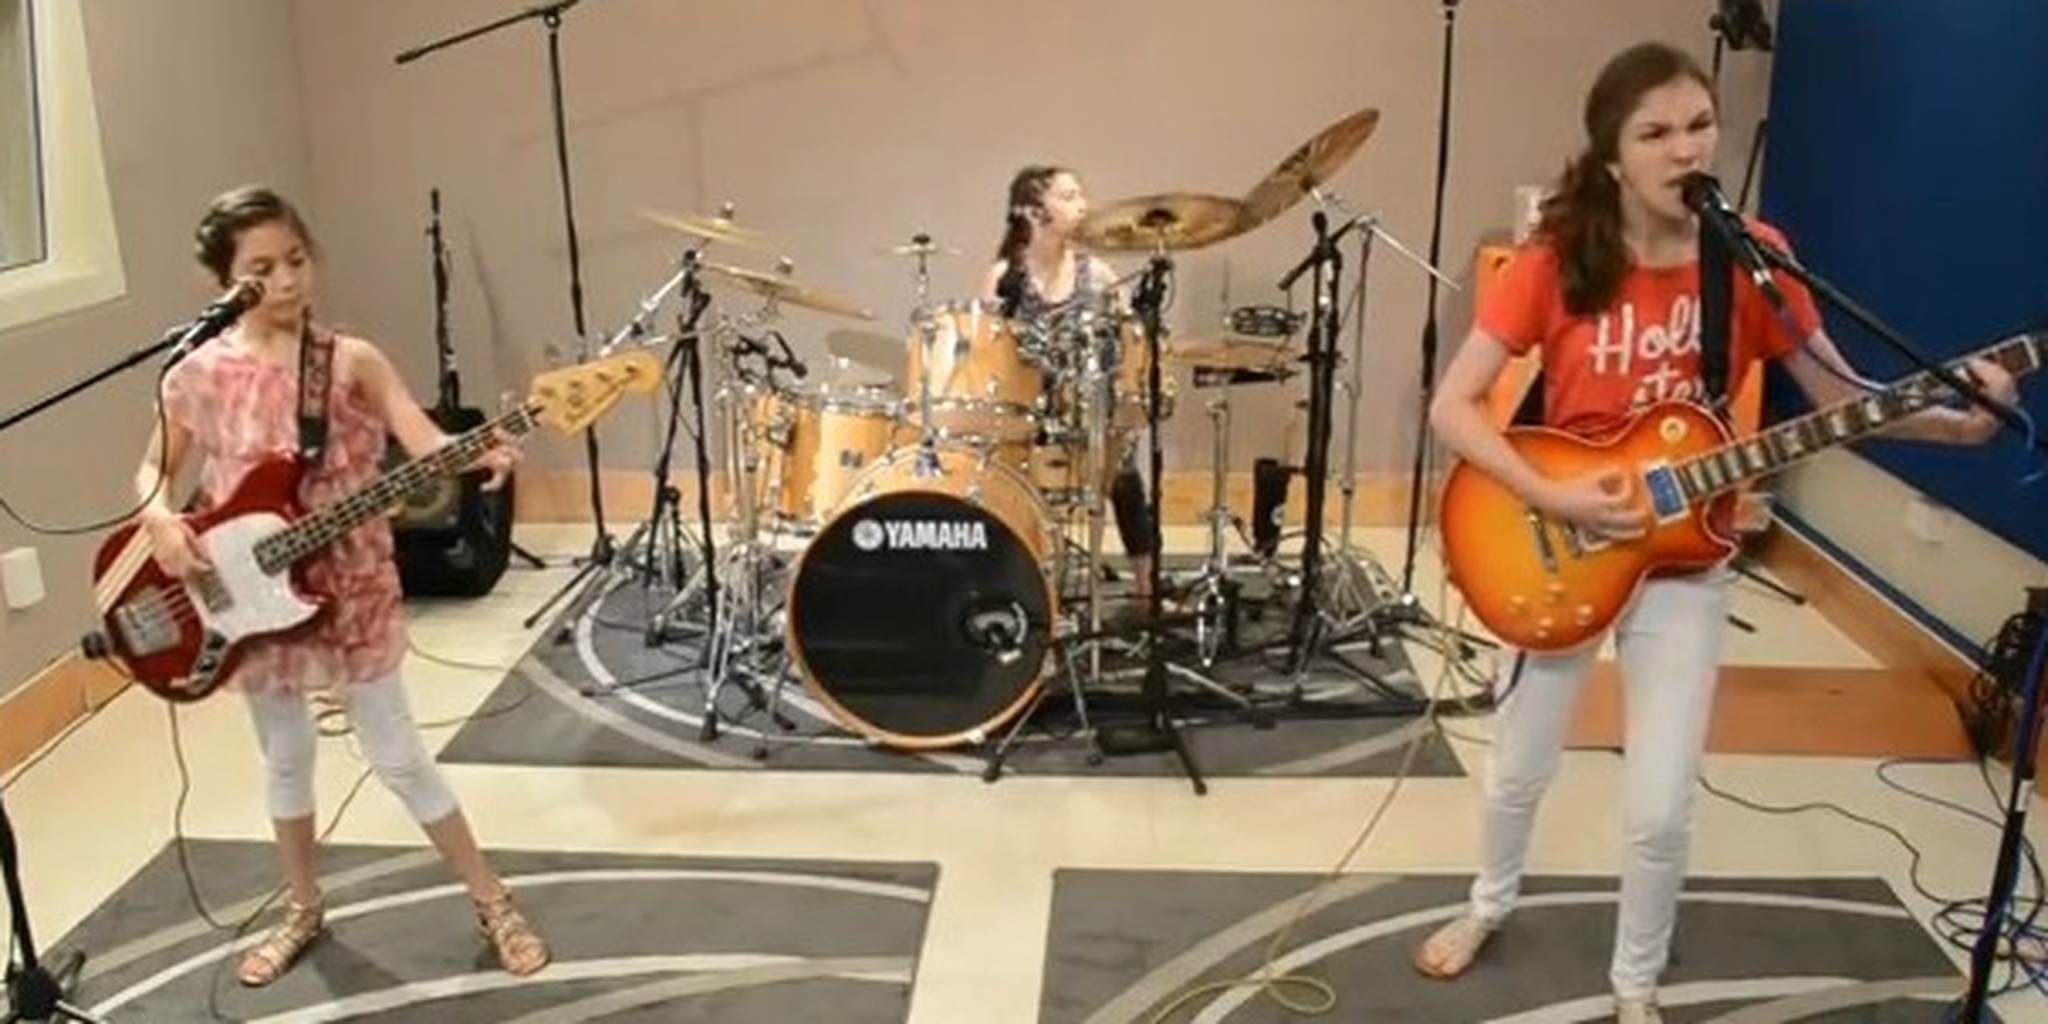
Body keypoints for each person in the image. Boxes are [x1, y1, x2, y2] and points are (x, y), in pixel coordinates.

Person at [1414, 42, 2016, 1022]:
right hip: (1558, 542)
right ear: (1611, 158)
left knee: (1660, 804)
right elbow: (1453, 406)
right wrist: (1557, 498)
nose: (1684, 148)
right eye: (1654, 133)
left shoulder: (1750, 257)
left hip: (1685, 561)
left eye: (1698, 124)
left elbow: (1840, 398)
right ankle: (1487, 903)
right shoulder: (1559, 256)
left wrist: (1958, 424)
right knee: (1519, 765)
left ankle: (1635, 984)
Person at [133, 186, 551, 986]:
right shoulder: (197, 373)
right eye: (261, 270)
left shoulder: (349, 359)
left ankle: (492, 899)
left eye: (296, 260)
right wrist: (157, 515)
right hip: (247, 591)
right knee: (285, 757)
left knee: (398, 755)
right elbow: (154, 465)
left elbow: (424, 441)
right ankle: (302, 906)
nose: (287, 281)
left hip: (350, 583)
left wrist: (484, 449)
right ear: (222, 282)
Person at [979, 164, 1160, 599]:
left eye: (1081, 194)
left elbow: (1127, 337)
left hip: (1087, 403)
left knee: (1125, 468)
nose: (1083, 205)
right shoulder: (1004, 277)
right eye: (1069, 196)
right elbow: (988, 352)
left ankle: (1147, 584)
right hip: (1027, 410)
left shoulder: (1096, 273)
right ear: (1034, 211)